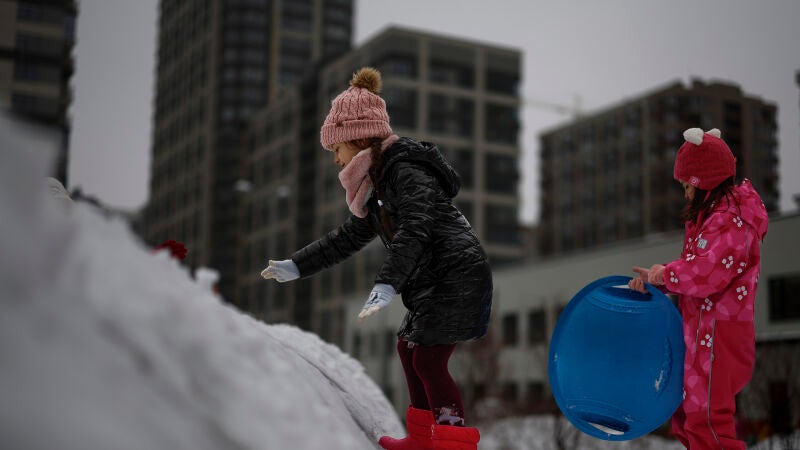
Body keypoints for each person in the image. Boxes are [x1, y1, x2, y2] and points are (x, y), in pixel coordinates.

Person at [261, 67, 492, 450]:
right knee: (409, 350)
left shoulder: (406, 171)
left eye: (337, 148)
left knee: (429, 361)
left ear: (359, 137)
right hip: (435, 279)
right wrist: (296, 265)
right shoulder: (379, 182)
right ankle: (421, 440)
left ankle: (453, 444)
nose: (336, 160)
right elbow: (347, 238)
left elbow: (416, 228)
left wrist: (387, 283)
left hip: (457, 276)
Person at [629, 127, 768, 450]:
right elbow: (697, 271)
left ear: (702, 182)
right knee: (687, 415)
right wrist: (658, 281)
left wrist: (667, 275)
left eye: (686, 186)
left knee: (707, 418)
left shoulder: (733, 220)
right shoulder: (711, 219)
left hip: (720, 334)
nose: (685, 194)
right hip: (700, 331)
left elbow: (708, 274)